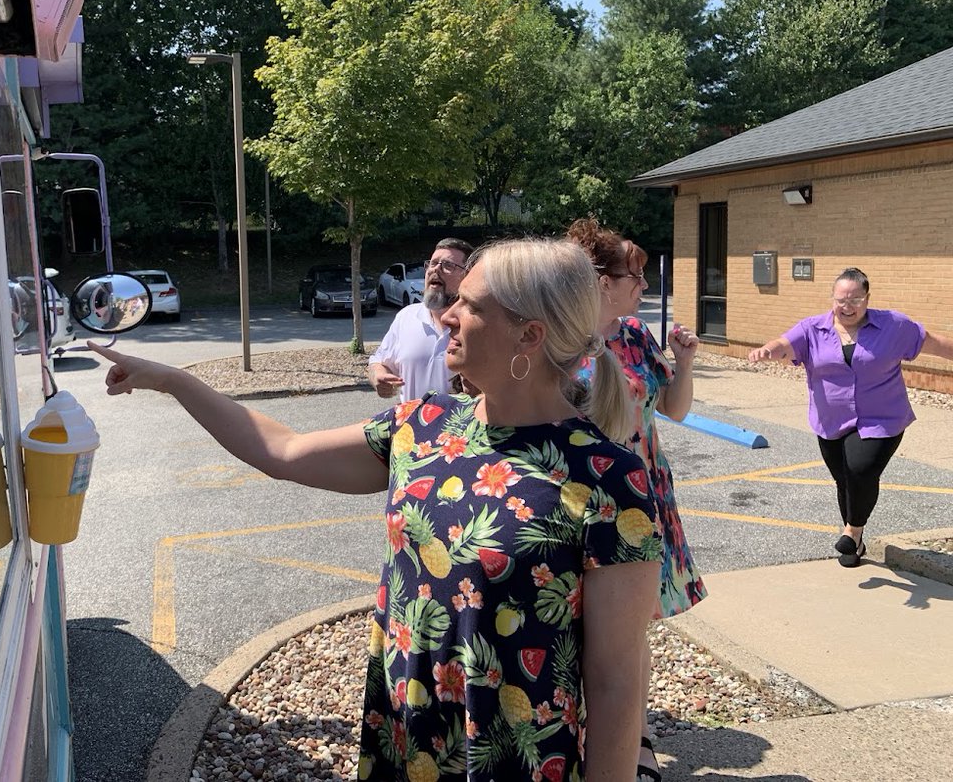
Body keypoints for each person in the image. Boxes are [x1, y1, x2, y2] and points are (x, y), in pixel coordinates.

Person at [88, 237, 662, 781]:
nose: (446, 315)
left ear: (529, 336)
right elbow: (282, 451)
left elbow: (614, 681)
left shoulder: (608, 477)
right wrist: (173, 380)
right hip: (406, 736)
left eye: (471, 304)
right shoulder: (423, 427)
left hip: (519, 757)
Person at [567, 217, 705, 782]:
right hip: (576, 500)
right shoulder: (555, 338)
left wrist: (685, 360)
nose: (644, 287)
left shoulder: (633, 335)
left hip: (642, 495)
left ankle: (636, 744)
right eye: (636, 275)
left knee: (628, 630)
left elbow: (673, 409)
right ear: (601, 280)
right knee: (573, 624)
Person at [749, 267, 953, 568]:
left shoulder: (893, 326)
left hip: (883, 418)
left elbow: (934, 343)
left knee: (860, 469)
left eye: (855, 300)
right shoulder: (812, 329)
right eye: (841, 299)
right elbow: (784, 344)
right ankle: (855, 543)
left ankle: (852, 530)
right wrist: (768, 350)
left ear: (867, 298)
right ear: (832, 298)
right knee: (843, 479)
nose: (847, 306)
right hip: (831, 420)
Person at [368, 238, 473, 402]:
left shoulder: (477, 324)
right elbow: (379, 361)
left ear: (467, 276)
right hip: (410, 426)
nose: (436, 270)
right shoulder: (406, 317)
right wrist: (379, 376)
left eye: (447, 265)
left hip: (460, 426)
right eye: (432, 263)